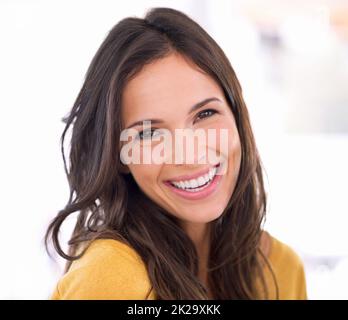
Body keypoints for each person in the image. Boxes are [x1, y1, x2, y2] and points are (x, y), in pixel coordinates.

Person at [46, 7, 307, 300]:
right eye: (148, 133)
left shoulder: (282, 268)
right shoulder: (110, 279)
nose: (190, 155)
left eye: (205, 113)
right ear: (119, 157)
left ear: (236, 115)